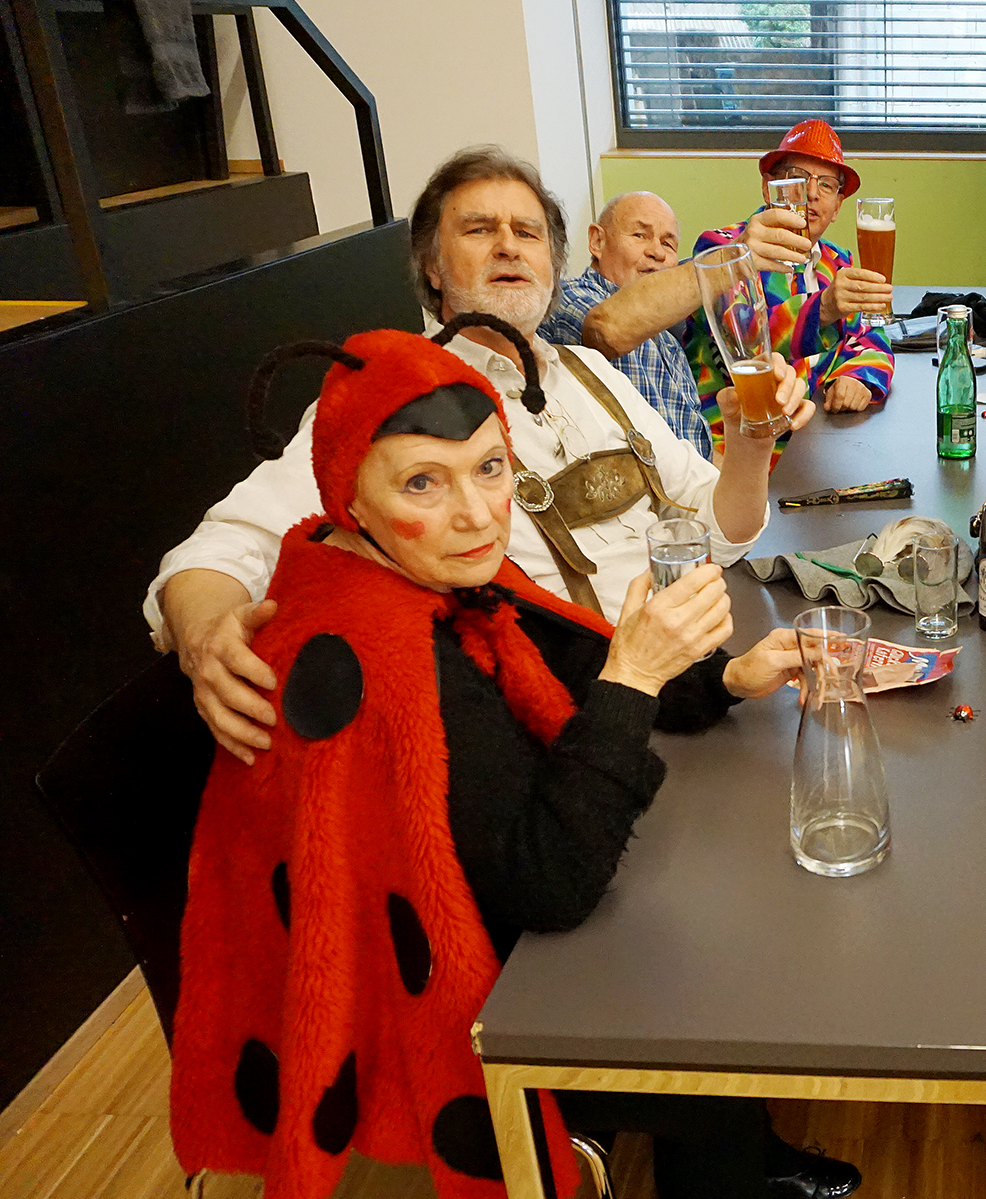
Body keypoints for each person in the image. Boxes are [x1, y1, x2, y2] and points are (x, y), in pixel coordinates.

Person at [168, 315, 849, 1199]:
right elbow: (549, 882)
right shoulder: (375, 651)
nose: (476, 514)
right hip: (449, 1002)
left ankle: (739, 1160)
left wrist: (725, 678)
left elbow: (567, 668)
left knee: (716, 933)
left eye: (489, 469)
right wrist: (634, 677)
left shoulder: (426, 574)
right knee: (710, 1045)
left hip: (495, 894)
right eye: (422, 483)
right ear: (345, 498)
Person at [143, 145, 812, 765]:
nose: (508, 246)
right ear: (432, 268)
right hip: (576, 731)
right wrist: (205, 633)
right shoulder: (390, 395)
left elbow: (717, 531)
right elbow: (228, 545)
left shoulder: (590, 373)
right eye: (478, 229)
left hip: (702, 676)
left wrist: (751, 444)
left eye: (527, 233)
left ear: (553, 263)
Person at [541, 189, 808, 461]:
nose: (657, 252)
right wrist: (728, 260)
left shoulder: (669, 340)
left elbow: (700, 461)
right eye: (639, 235)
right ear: (597, 241)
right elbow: (606, 330)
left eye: (668, 244)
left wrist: (756, 441)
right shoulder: (568, 297)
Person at [686, 118, 894, 460]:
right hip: (733, 451)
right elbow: (745, 344)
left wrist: (858, 376)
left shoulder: (837, 261)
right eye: (797, 177)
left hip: (812, 446)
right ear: (769, 187)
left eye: (826, 185)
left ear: (837, 207)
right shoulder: (722, 249)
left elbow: (870, 333)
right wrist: (823, 310)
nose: (811, 193)